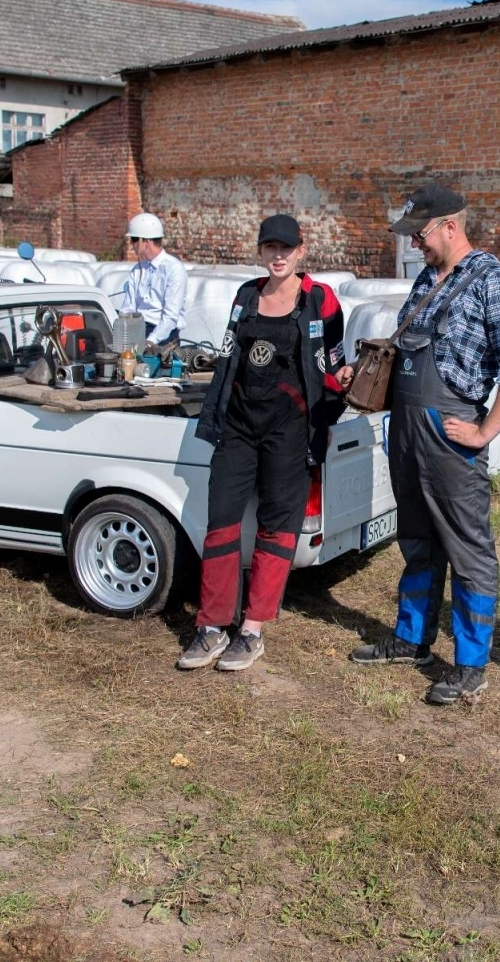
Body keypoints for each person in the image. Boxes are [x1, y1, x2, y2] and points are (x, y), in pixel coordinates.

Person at [348, 182, 500, 705]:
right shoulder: (430, 278)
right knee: (416, 539)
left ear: (450, 225)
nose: (414, 245)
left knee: (468, 549)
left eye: (420, 234)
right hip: (406, 430)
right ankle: (412, 639)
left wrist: (483, 431)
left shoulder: (492, 281)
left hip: (451, 434)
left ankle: (471, 665)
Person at [178, 214, 354, 672]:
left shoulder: (321, 299)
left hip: (290, 428)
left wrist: (343, 383)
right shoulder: (246, 296)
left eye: (286, 248)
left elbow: (333, 361)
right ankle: (212, 625)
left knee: (277, 525)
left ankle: (252, 629)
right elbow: (232, 355)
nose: (277, 256)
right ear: (261, 251)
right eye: (269, 247)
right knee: (222, 520)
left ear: (301, 250)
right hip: (238, 425)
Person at [116, 212, 187, 348]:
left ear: (146, 242)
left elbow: (170, 316)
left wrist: (151, 341)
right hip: (138, 332)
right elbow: (127, 309)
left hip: (165, 337)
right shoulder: (137, 270)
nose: (132, 244)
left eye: (134, 240)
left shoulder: (173, 268)